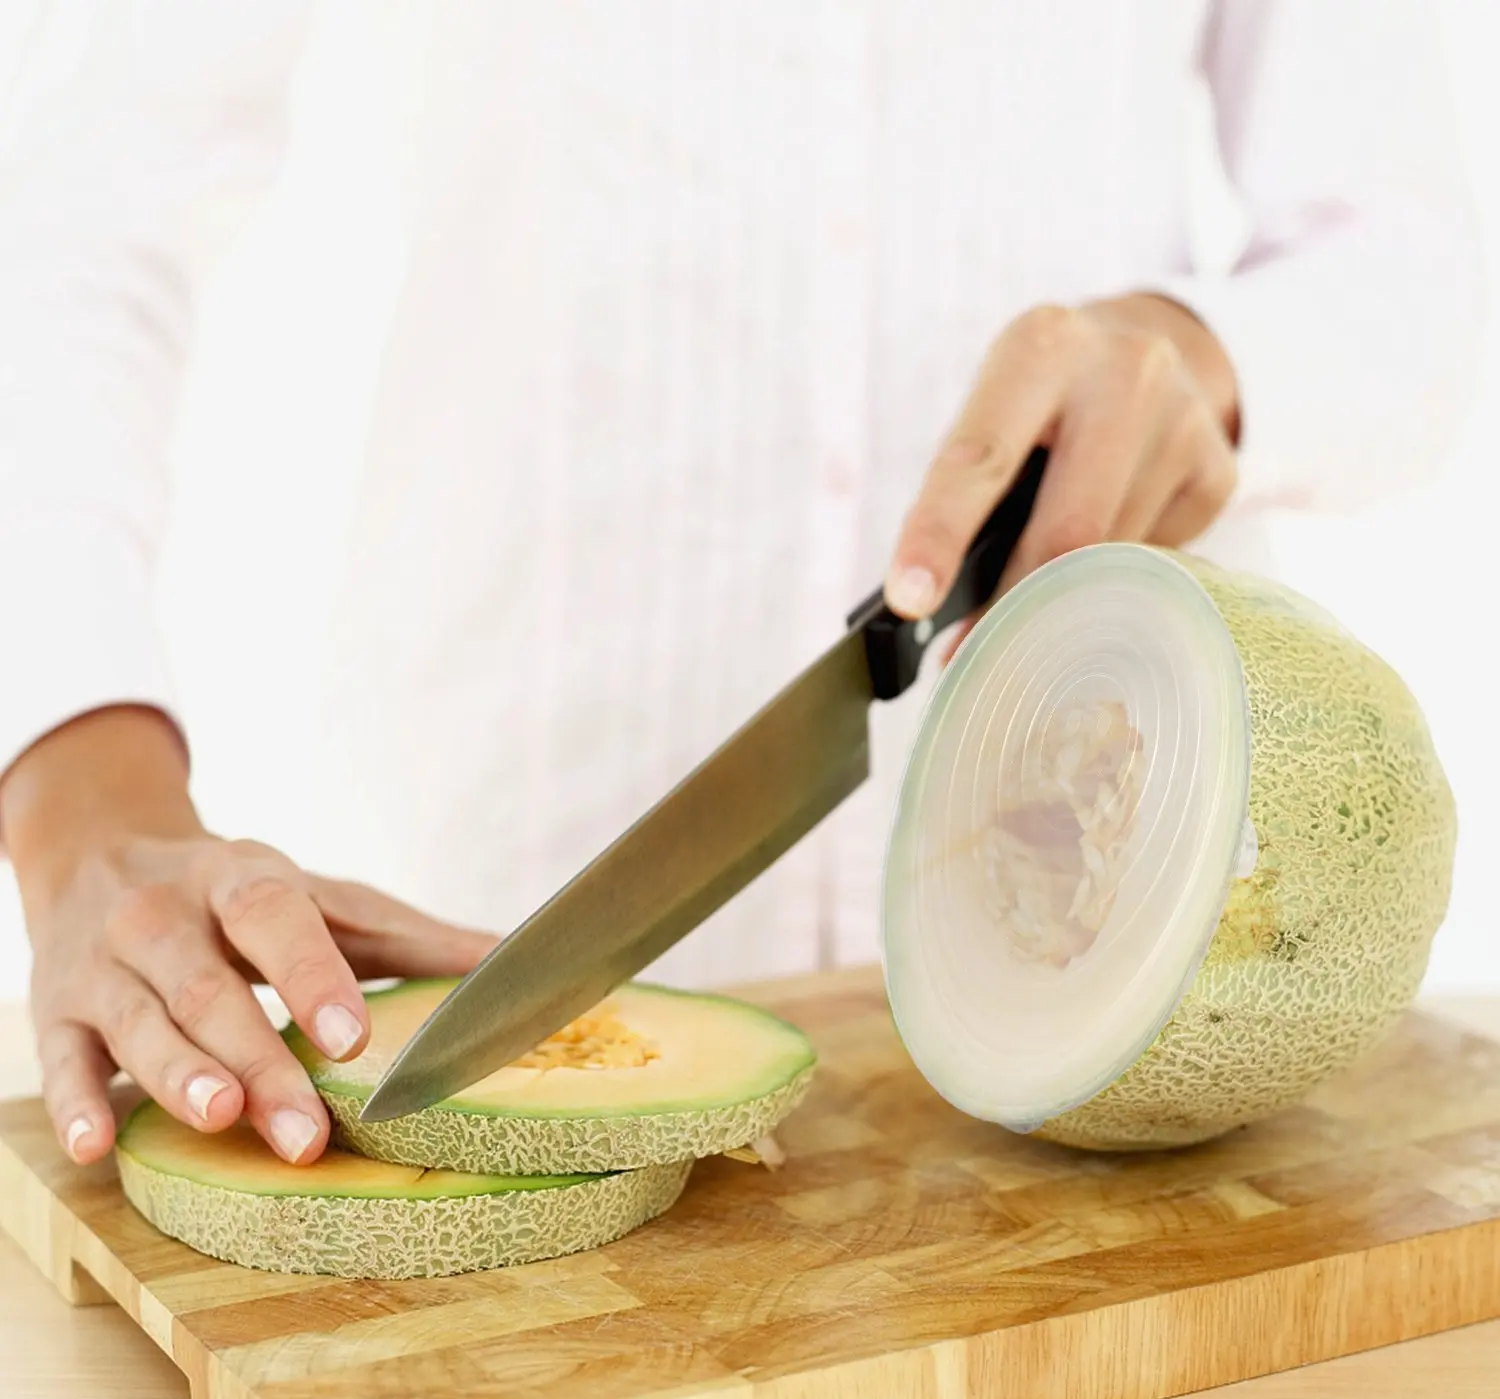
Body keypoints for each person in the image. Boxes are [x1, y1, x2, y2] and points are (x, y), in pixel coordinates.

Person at [0, 2, 1480, 1170]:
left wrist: (1212, 356)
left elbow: (1419, 264)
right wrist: (82, 792)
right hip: (494, 886)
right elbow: (74, 197)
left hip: (1147, 920)